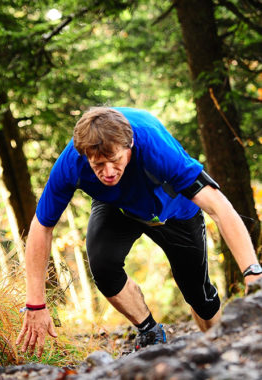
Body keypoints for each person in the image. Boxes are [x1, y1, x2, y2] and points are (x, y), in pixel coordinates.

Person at [16, 107, 262, 357]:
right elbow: (42, 225)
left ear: (129, 145)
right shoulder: (71, 163)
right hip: (118, 206)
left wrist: (253, 273)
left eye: (115, 160)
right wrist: (35, 303)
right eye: (98, 164)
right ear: (85, 155)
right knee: (102, 264)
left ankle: (223, 350)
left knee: (200, 297)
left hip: (175, 211)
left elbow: (219, 207)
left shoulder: (155, 145)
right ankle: (149, 330)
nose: (108, 171)